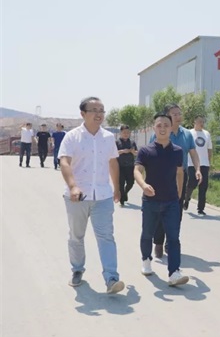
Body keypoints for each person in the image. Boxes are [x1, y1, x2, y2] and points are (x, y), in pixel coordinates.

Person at [58, 96, 125, 294]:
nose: (99, 114)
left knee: (106, 237)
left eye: (101, 110)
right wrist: (73, 186)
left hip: (103, 195)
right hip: (77, 197)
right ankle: (77, 269)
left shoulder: (108, 137)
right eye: (94, 110)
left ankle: (111, 278)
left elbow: (113, 162)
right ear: (83, 114)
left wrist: (117, 187)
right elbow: (64, 162)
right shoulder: (72, 137)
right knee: (76, 236)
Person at [135, 113, 190, 286]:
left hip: (171, 202)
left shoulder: (177, 151)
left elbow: (180, 172)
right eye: (159, 125)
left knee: (173, 237)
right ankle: (146, 260)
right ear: (154, 128)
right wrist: (143, 185)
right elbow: (137, 170)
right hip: (150, 201)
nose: (163, 128)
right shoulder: (146, 151)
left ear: (171, 128)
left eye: (166, 125)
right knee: (147, 233)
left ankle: (174, 272)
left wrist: (179, 193)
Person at [150, 104, 201, 259]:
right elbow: (151, 153)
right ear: (167, 116)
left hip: (180, 176)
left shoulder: (187, 134)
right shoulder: (159, 133)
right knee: (160, 210)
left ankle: (171, 242)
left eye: (180, 113)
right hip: (162, 177)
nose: (178, 116)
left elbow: (193, 153)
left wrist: (197, 169)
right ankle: (158, 241)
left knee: (176, 210)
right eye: (174, 114)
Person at [185, 116, 212, 215]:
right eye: (199, 121)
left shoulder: (206, 134)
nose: (201, 123)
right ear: (194, 122)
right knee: (192, 182)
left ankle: (201, 208)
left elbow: (209, 149)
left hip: (204, 163)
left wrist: (208, 162)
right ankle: (186, 198)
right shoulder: (189, 133)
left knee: (203, 186)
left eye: (203, 122)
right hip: (192, 163)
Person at [116, 125, 137, 207]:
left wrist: (133, 152)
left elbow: (136, 153)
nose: (126, 134)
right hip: (120, 166)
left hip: (130, 165)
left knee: (131, 182)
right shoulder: (117, 142)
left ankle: (125, 192)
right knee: (121, 183)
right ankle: (122, 200)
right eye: (124, 132)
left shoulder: (132, 142)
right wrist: (122, 151)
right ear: (120, 133)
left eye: (127, 132)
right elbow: (113, 152)